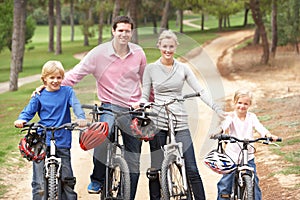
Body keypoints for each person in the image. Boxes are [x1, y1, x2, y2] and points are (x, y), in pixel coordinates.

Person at [34, 16, 148, 199]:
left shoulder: (139, 53)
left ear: (132, 32)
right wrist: (50, 86)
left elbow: (146, 80)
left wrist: (146, 101)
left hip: (132, 108)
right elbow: (76, 75)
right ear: (113, 31)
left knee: (133, 158)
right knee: (101, 133)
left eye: (127, 31)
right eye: (120, 30)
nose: (124, 34)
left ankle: (128, 196)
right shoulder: (99, 54)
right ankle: (98, 179)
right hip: (109, 106)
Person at [132, 30, 226, 200]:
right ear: (159, 46)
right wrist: (141, 103)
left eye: (171, 47)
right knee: (156, 167)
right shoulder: (151, 69)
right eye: (164, 46)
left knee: (191, 168)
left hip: (180, 120)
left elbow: (200, 90)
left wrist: (216, 108)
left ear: (176, 47)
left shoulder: (183, 68)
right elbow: (145, 95)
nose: (168, 50)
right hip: (158, 119)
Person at [14, 60, 87, 200]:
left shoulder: (67, 92)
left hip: (62, 138)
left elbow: (76, 105)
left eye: (58, 77)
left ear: (62, 78)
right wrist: (22, 120)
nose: (55, 81)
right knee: (39, 182)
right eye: (51, 77)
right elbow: (28, 111)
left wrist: (80, 117)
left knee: (67, 178)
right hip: (42, 139)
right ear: (44, 79)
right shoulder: (39, 96)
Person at [217, 89, 279, 200]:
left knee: (254, 181)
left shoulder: (252, 117)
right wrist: (219, 131)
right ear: (234, 103)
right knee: (226, 182)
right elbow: (224, 125)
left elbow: (259, 127)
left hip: (248, 155)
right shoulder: (231, 116)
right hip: (232, 155)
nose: (242, 106)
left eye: (245, 103)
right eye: (239, 103)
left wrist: (268, 135)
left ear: (250, 104)